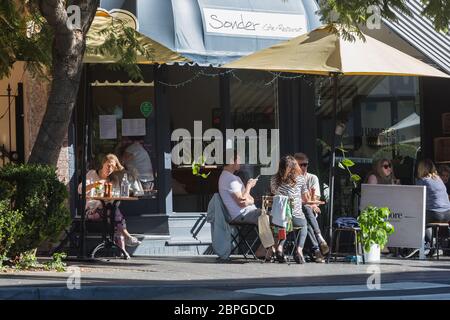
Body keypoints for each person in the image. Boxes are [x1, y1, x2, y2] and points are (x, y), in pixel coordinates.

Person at [78, 154, 141, 259]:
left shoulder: (114, 180)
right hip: (91, 211)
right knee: (113, 214)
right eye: (108, 165)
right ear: (103, 163)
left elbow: (115, 197)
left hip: (107, 210)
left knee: (113, 213)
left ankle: (123, 249)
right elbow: (80, 190)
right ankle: (126, 240)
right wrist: (96, 184)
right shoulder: (92, 174)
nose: (110, 168)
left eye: (113, 166)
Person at [271, 155, 309, 264]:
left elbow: (274, 193)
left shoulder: (274, 178)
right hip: (294, 216)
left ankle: (280, 247)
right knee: (304, 225)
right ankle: (299, 250)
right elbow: (306, 199)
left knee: (286, 225)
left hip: (277, 218)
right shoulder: (300, 178)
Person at [294, 153, 329, 263]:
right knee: (306, 212)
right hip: (295, 211)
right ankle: (319, 241)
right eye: (301, 165)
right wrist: (310, 203)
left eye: (306, 165)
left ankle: (317, 250)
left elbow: (316, 197)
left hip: (308, 210)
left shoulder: (312, 178)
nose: (304, 167)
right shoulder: (292, 179)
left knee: (307, 214)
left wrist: (312, 204)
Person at [416, 159, 450, 255]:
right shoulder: (438, 179)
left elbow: (416, 198)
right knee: (426, 217)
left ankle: (428, 245)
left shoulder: (422, 180)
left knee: (420, 219)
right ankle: (436, 246)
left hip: (435, 213)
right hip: (447, 213)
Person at [218, 151, 261, 225]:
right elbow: (242, 203)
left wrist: (249, 201)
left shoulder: (233, 177)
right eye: (238, 159)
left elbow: (251, 199)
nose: (240, 162)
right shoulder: (229, 179)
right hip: (241, 215)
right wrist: (249, 186)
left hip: (247, 212)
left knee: (272, 216)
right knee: (271, 217)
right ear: (231, 161)